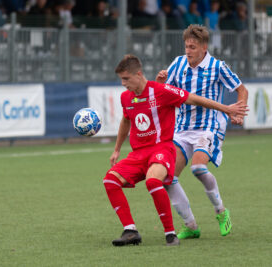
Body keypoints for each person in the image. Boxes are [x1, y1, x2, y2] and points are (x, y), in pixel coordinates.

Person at [103, 54, 248, 247]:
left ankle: (171, 234)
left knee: (155, 181)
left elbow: (195, 99)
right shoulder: (126, 97)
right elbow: (126, 120)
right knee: (110, 180)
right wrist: (116, 149)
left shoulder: (162, 91)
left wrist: (226, 109)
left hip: (161, 149)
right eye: (121, 79)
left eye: (126, 79)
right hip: (137, 154)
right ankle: (130, 231)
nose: (123, 83)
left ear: (138, 74)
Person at [156, 24, 249, 239]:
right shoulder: (178, 64)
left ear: (204, 47)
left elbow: (241, 89)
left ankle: (221, 211)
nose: (188, 51)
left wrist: (239, 113)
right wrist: (159, 82)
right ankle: (190, 225)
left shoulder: (217, 67)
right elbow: (161, 93)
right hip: (181, 129)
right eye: (186, 46)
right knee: (167, 178)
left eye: (192, 47)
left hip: (208, 128)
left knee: (198, 168)